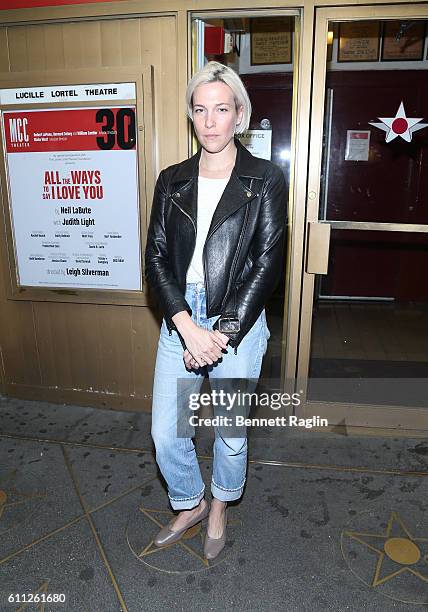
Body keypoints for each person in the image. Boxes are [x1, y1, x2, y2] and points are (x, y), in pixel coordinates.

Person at [144, 61, 288, 560]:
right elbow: (156, 258)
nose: (210, 121)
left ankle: (221, 506)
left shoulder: (265, 179)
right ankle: (190, 502)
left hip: (237, 324)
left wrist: (221, 333)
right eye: (201, 110)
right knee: (167, 430)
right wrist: (186, 327)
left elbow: (268, 262)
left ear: (239, 115)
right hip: (182, 317)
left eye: (221, 109)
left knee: (229, 434)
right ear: (191, 116)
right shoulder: (172, 180)